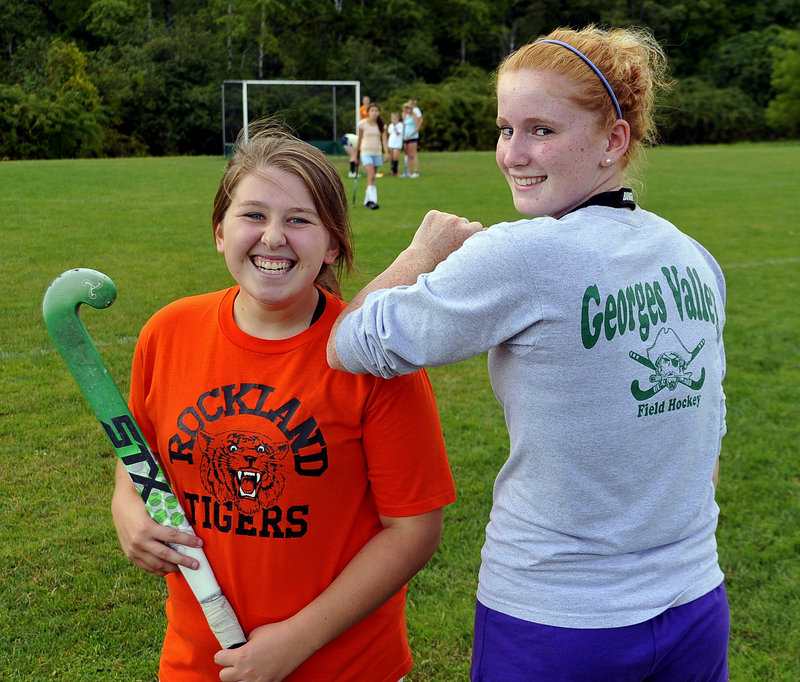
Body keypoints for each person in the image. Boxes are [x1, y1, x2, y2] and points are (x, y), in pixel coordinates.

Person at [328, 25, 729, 682]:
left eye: (541, 129)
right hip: (695, 606)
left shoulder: (523, 254)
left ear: (613, 141)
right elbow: (706, 436)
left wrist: (420, 254)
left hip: (558, 622)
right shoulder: (692, 257)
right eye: (505, 129)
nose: (513, 153)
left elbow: (348, 342)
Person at [111, 122, 456, 682]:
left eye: (299, 220)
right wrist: (127, 513)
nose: (273, 237)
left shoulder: (374, 356)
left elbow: (414, 530)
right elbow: (140, 463)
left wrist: (297, 640)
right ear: (220, 231)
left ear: (333, 246)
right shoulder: (168, 332)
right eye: (252, 215)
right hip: (201, 659)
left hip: (343, 664)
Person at [356, 102, 388, 209]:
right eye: (372, 110)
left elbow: (384, 140)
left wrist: (386, 152)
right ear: (368, 112)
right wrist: (357, 153)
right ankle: (373, 201)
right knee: (371, 175)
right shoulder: (363, 124)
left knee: (372, 178)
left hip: (377, 153)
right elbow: (359, 139)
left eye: (376, 110)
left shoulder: (381, 125)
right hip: (366, 152)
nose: (374, 113)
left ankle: (367, 201)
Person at [401, 102, 421, 178]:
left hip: (413, 137)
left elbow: (417, 127)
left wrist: (410, 135)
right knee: (408, 154)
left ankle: (416, 171)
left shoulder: (414, 116)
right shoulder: (406, 116)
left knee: (413, 154)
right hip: (406, 137)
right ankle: (408, 171)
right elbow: (404, 126)